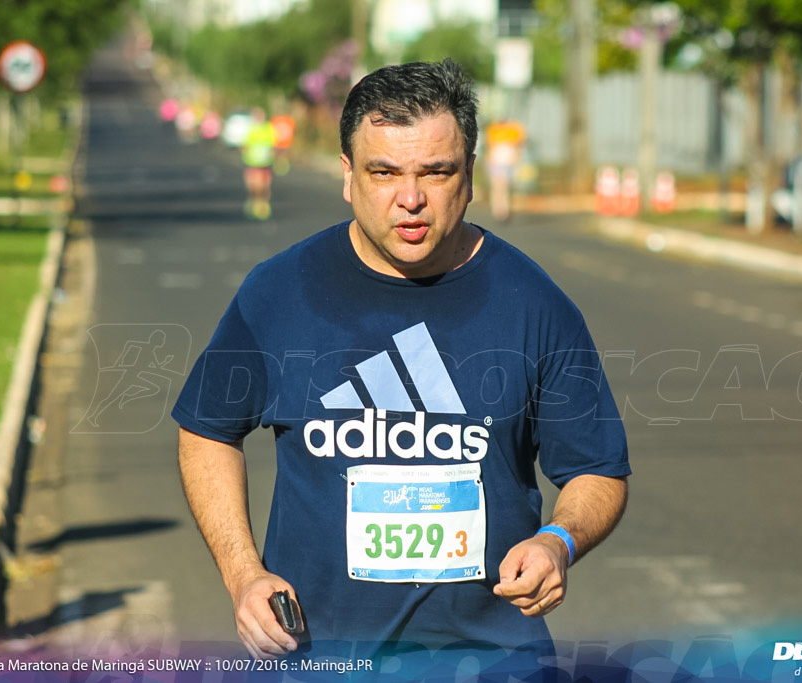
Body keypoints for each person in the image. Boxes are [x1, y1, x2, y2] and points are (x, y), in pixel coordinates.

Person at [172, 59, 630, 678]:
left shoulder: (534, 303)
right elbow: (207, 430)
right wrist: (243, 573)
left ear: (469, 177)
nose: (409, 199)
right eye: (383, 172)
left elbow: (598, 471)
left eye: (435, 172)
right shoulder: (279, 292)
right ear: (347, 176)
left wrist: (560, 542)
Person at [242, 107, 278, 219]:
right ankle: (253, 202)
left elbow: (273, 144)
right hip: (252, 162)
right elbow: (245, 144)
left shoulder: (268, 129)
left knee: (264, 185)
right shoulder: (251, 129)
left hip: (264, 162)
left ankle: (263, 205)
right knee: (253, 185)